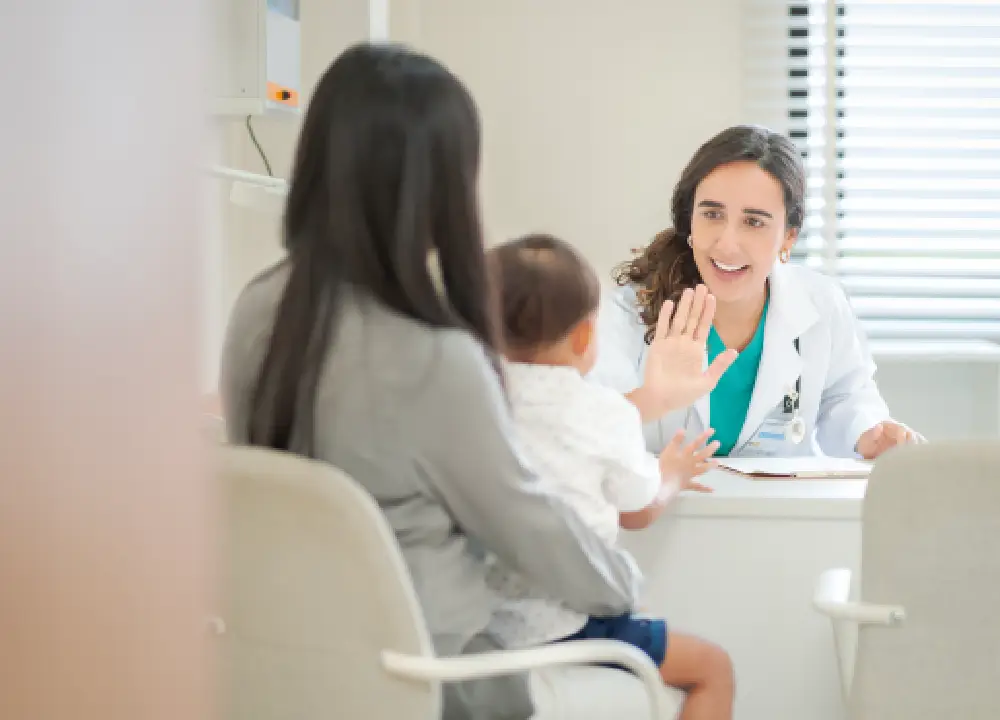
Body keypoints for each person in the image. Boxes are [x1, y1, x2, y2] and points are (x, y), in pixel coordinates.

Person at [219, 43, 733, 719]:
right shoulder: (431, 354)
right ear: (439, 187)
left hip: (283, 663)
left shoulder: (256, 311)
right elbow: (527, 525)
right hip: (431, 671)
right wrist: (620, 590)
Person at [485, 234, 734, 720]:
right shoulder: (600, 412)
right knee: (712, 668)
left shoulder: (478, 404)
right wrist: (672, 476)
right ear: (583, 338)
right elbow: (638, 510)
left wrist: (653, 399)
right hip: (572, 625)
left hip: (484, 624)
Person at [591, 125, 922, 460]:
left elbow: (845, 396)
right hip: (668, 509)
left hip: (775, 510)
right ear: (689, 220)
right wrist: (652, 399)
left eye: (754, 222)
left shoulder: (822, 303)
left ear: (789, 237)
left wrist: (871, 434)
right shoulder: (629, 311)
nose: (727, 244)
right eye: (712, 214)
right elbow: (585, 428)